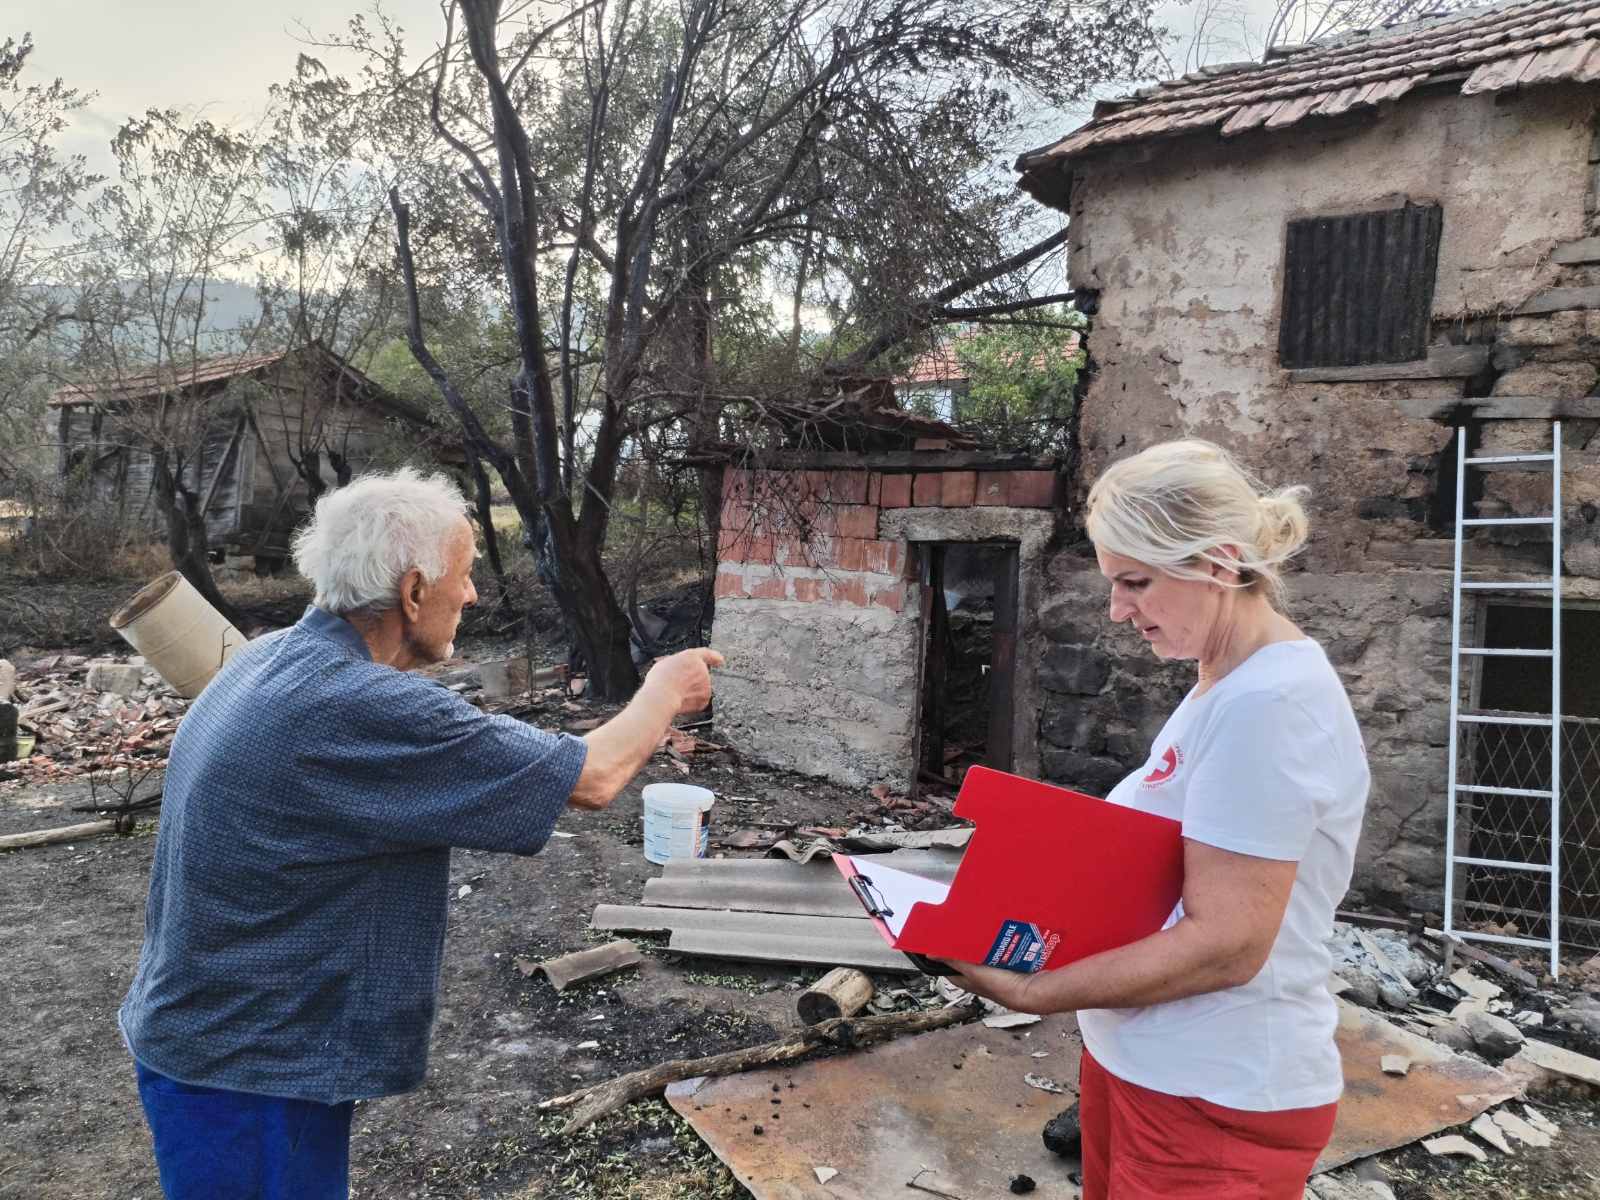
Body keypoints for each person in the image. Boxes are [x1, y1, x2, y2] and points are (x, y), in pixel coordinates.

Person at [119, 467, 723, 1200]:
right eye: (463, 576)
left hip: (216, 1041)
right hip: (250, 1071)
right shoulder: (356, 704)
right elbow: (591, 778)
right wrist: (662, 693)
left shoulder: (271, 658)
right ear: (411, 592)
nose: (472, 594)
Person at [944, 440, 1370, 1200]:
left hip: (1214, 1094)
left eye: (1135, 582)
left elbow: (1228, 944)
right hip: (1148, 1064)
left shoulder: (1269, 707)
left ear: (1217, 561)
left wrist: (1038, 992)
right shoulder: (1224, 682)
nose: (1116, 609)